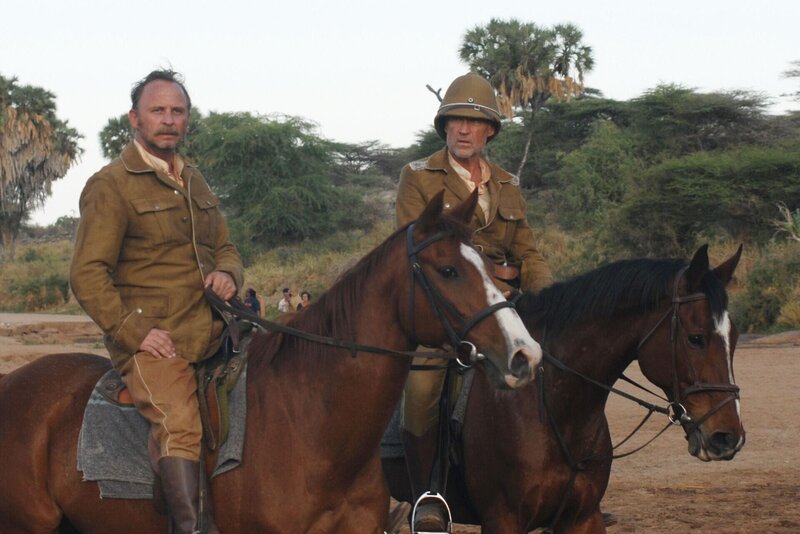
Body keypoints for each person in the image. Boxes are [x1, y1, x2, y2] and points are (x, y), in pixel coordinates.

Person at [70, 69, 243, 534]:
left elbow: (224, 246)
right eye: (158, 110)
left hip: (212, 328)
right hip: (155, 341)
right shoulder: (111, 185)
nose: (169, 119)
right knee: (180, 424)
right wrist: (136, 333)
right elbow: (87, 274)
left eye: (177, 111)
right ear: (135, 118)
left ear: (187, 120)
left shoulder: (196, 182)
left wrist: (227, 273)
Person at [395, 72, 553, 532]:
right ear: (444, 127)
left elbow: (527, 250)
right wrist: (489, 283)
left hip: (508, 304)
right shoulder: (418, 178)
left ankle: (563, 483)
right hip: (442, 308)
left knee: (559, 362)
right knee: (423, 384)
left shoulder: (507, 184)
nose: (463, 130)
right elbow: (416, 246)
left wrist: (546, 300)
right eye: (455, 120)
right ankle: (429, 493)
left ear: (490, 131)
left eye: (474, 121)